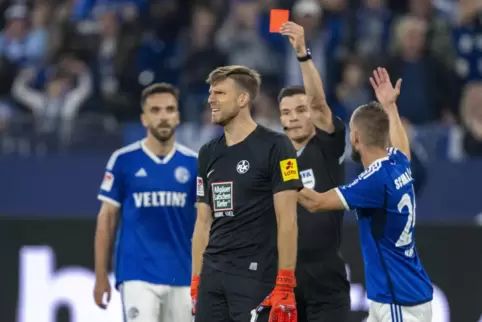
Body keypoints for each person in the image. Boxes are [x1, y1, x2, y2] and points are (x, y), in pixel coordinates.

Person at [297, 68, 433, 322]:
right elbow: (403, 149)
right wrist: (390, 107)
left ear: (356, 137)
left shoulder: (373, 181)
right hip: (404, 292)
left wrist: (281, 170)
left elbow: (314, 202)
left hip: (397, 301)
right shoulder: (397, 163)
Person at [190, 65, 303, 322]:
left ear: (243, 99)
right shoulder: (207, 152)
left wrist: (285, 283)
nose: (211, 99)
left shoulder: (276, 146)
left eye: (219, 93)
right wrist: (197, 279)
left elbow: (287, 219)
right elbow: (202, 222)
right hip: (212, 278)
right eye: (210, 92)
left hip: (255, 277)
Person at [93, 83, 197, 322]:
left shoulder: (194, 163)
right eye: (156, 110)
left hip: (182, 275)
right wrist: (101, 276)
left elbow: (206, 224)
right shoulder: (123, 161)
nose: (163, 117)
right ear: (144, 118)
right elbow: (106, 220)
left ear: (178, 117)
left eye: (170, 109)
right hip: (137, 273)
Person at [278, 22, 351, 322]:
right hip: (283, 278)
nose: (293, 118)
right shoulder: (276, 158)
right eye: (286, 112)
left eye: (300, 110)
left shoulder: (326, 147)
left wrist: (302, 56)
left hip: (325, 278)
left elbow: (320, 106)